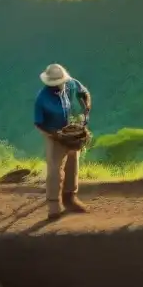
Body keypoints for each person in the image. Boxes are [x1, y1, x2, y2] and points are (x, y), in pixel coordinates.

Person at [35, 63, 91, 220]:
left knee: (73, 164)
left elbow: (84, 93)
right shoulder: (42, 98)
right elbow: (38, 123)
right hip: (52, 133)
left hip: (71, 130)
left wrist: (86, 107)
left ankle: (70, 198)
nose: (56, 87)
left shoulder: (71, 84)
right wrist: (56, 134)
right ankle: (53, 205)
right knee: (54, 170)